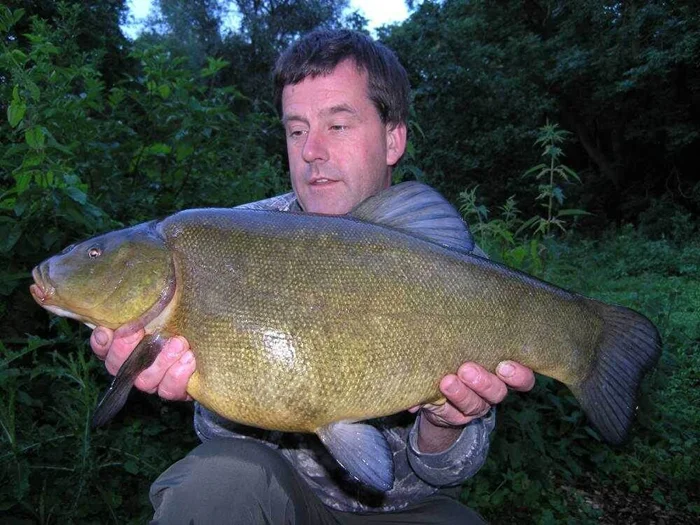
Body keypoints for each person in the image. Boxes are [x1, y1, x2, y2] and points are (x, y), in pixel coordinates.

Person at [90, 29, 536, 524]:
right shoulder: (233, 237)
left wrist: (445, 420)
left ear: (393, 139)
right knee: (212, 485)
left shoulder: (451, 263)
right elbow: (220, 442)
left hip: (408, 508)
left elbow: (448, 472)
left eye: (338, 125)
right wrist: (174, 370)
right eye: (297, 130)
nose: (311, 152)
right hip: (280, 498)